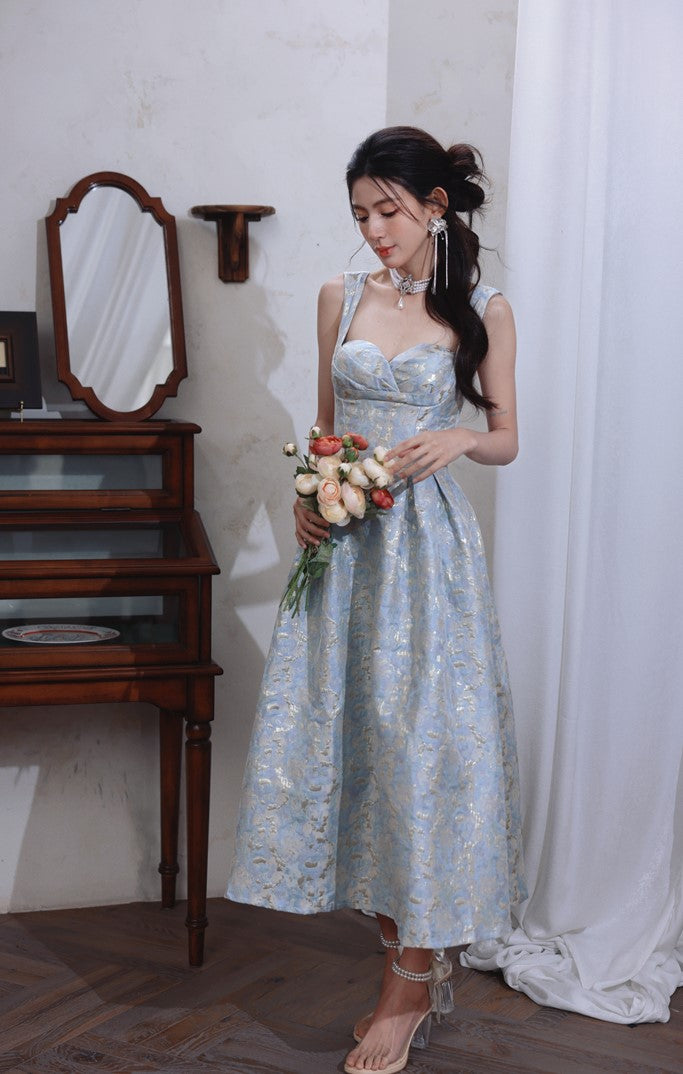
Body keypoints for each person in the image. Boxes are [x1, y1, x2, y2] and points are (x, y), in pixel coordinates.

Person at [227, 126, 525, 1074]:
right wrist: (306, 499)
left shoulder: (482, 308)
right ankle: (407, 966)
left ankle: (407, 986)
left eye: (387, 211)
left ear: (434, 207)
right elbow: (325, 427)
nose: (372, 230)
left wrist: (460, 440)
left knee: (419, 751)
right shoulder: (340, 295)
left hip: (428, 553)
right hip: (346, 546)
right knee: (355, 747)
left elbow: (506, 436)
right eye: (359, 214)